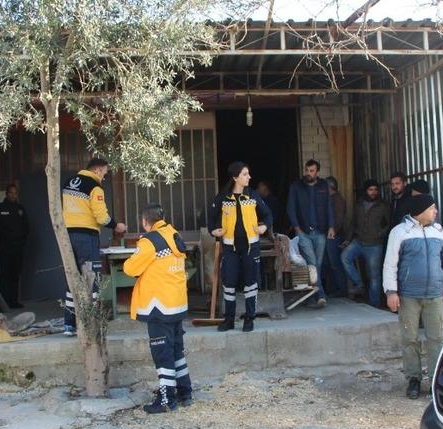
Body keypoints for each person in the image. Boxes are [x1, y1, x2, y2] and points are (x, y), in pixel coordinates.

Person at [383, 194, 443, 399]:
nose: (435, 212)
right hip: (409, 296)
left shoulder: (438, 232)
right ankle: (414, 379)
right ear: (420, 211)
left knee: (436, 338)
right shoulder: (400, 232)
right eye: (432, 208)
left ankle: (437, 380)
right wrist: (391, 291)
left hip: (434, 295)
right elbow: (390, 264)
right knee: (410, 338)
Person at [123, 204, 192, 414]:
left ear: (145, 222)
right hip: (176, 303)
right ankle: (185, 392)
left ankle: (166, 400)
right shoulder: (173, 234)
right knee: (176, 350)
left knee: (162, 354)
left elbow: (130, 268)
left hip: (158, 306)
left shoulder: (150, 241)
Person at [61, 158, 127, 336]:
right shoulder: (94, 187)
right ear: (97, 170)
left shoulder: (69, 183)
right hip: (86, 237)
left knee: (72, 280)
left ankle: (69, 325)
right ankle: (92, 324)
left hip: (67, 236)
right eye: (105, 172)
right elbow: (101, 217)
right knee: (92, 281)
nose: (104, 176)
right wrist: (116, 226)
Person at [208, 161, 273, 332]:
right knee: (229, 284)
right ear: (235, 177)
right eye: (245, 174)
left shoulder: (252, 196)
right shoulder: (222, 198)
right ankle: (229, 320)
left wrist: (264, 227)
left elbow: (268, 215)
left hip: (251, 248)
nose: (249, 177)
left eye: (248, 174)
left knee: (251, 284)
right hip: (230, 250)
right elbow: (211, 219)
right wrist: (214, 231)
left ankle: (249, 319)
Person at [287, 159, 335, 308]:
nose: (308, 173)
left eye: (312, 171)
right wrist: (296, 228)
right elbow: (290, 208)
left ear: (317, 172)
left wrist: (331, 226)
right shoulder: (296, 186)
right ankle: (321, 295)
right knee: (313, 263)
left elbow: (328, 207)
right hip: (304, 232)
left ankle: (310, 296)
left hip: (320, 232)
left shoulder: (323, 186)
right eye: (307, 170)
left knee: (316, 265)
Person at [341, 179, 390, 307]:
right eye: (370, 190)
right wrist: (347, 239)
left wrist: (380, 234)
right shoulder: (359, 205)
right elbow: (353, 223)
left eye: (375, 190)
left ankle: (375, 305)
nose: (373, 192)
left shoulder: (383, 206)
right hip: (358, 241)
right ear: (366, 191)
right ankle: (359, 284)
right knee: (345, 257)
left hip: (375, 245)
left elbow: (390, 224)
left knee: (374, 276)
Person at [0, 184, 29, 308]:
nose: (13, 195)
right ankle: (3, 303)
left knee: (15, 275)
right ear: (6, 193)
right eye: (11, 193)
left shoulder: (20, 209)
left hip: (17, 248)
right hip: (3, 248)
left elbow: (27, 228)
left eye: (15, 193)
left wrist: (21, 239)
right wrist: (3, 232)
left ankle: (14, 301)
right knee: (4, 275)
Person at [323, 176, 348, 297]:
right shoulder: (331, 199)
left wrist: (333, 231)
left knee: (335, 264)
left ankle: (342, 289)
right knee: (329, 263)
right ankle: (332, 289)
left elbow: (339, 219)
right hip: (330, 235)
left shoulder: (338, 200)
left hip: (334, 236)